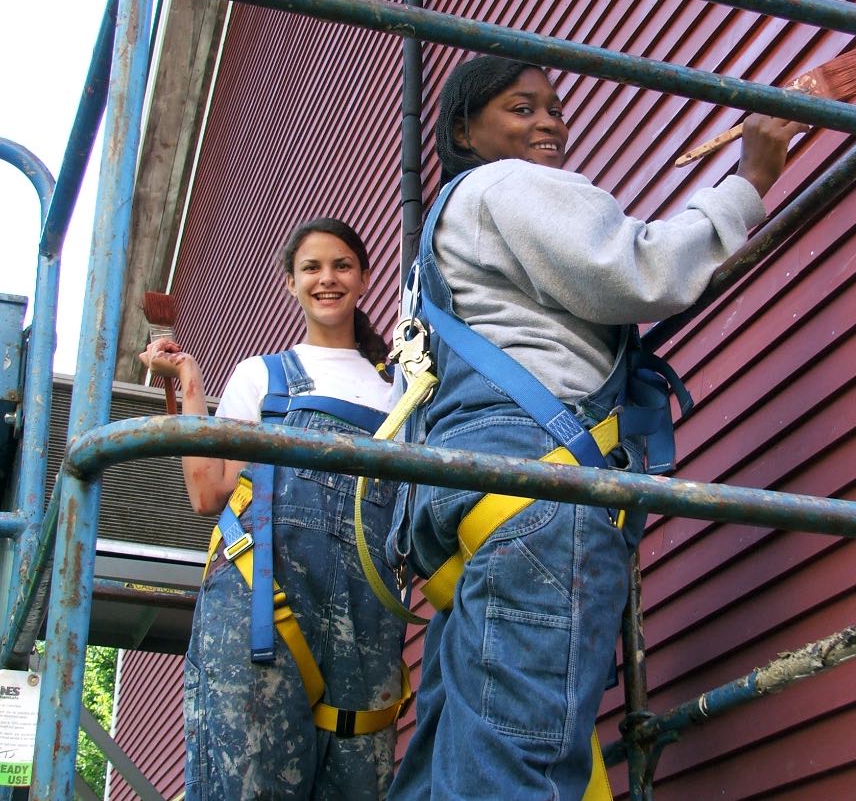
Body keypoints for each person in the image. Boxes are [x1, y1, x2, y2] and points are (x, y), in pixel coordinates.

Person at [387, 55, 806, 799]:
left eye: (554, 107)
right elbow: (635, 271)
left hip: (471, 512)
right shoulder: (506, 185)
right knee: (520, 775)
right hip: (540, 496)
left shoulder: (431, 255)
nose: (548, 121)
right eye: (521, 108)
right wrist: (749, 182)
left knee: (460, 777)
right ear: (464, 130)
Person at [140, 218, 405, 800]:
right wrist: (188, 382)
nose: (326, 279)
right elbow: (207, 492)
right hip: (258, 606)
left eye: (341, 266)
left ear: (363, 278)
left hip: (366, 623)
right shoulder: (261, 375)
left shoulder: (400, 392)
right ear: (291, 284)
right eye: (311, 268)